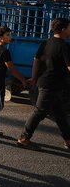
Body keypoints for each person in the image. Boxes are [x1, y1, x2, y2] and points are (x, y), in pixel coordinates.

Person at [17, 18, 70, 150]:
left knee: (60, 114)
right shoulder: (64, 46)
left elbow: (36, 60)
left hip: (48, 83)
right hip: (51, 85)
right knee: (40, 111)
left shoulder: (46, 43)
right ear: (63, 29)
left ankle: (68, 140)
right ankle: (24, 138)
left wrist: (33, 78)